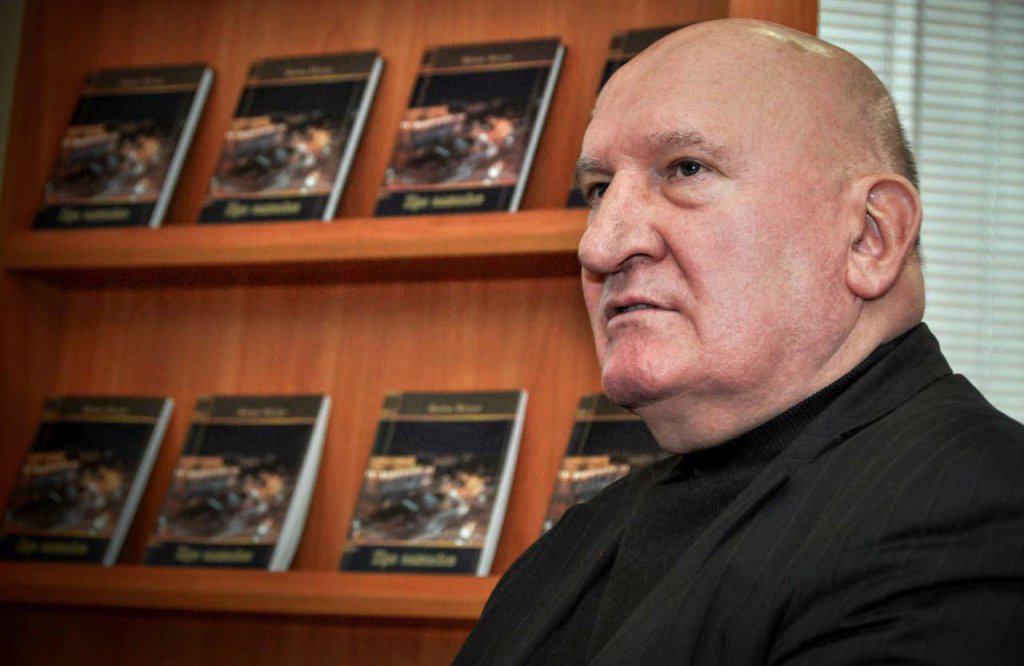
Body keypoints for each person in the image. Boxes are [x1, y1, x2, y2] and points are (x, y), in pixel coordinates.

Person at [454, 18, 1024, 665]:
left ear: (871, 236)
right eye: (599, 190)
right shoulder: (583, 536)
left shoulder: (973, 512)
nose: (599, 245)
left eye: (686, 169)